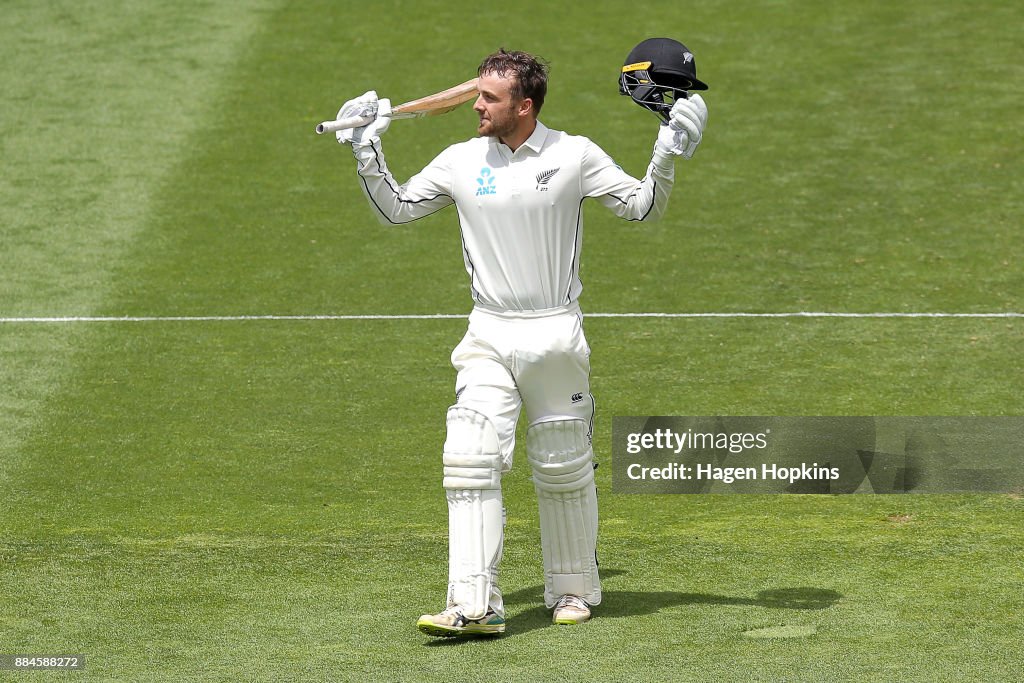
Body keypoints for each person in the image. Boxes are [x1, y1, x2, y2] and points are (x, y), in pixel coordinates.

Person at [333, 47, 707, 637]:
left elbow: (640, 209)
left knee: (562, 467)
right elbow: (397, 211)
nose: (475, 104)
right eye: (477, 94)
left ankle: (574, 589)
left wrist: (667, 153)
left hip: (555, 331)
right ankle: (472, 605)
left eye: (489, 98)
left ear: (524, 106)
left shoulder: (573, 154)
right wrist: (365, 148)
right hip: (487, 330)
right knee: (469, 457)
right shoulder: (460, 161)